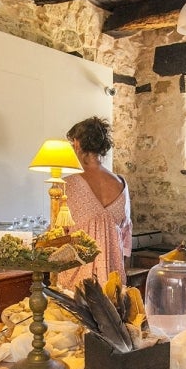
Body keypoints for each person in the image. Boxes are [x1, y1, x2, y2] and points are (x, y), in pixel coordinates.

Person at [57, 116, 133, 290]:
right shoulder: (122, 183)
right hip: (113, 273)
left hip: (78, 275)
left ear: (77, 143)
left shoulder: (66, 184)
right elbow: (126, 233)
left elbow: (59, 234)